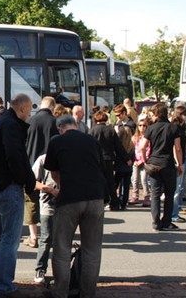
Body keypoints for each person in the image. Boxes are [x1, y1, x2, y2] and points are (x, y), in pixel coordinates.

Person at [44, 115, 107, 298]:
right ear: (76, 125)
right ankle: (87, 292)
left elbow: (54, 171)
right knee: (92, 249)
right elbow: (101, 167)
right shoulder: (91, 140)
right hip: (95, 197)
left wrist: (62, 185)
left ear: (60, 127)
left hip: (70, 198)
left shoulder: (57, 141)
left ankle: (61, 291)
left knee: (62, 247)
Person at [0, 94, 36, 297]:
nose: (30, 113)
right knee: (9, 237)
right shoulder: (11, 126)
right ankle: (3, 284)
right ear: (22, 108)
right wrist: (25, 180)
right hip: (8, 185)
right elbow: (15, 156)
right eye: (29, 109)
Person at [23, 96, 59, 248]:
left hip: (31, 164)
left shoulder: (30, 121)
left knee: (31, 201)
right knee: (50, 202)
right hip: (50, 166)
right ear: (53, 107)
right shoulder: (55, 122)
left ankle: (33, 236)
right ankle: (49, 233)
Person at [143, 102, 183, 231]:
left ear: (157, 114)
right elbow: (177, 148)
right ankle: (166, 221)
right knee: (169, 194)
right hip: (167, 164)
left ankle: (155, 222)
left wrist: (145, 161)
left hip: (153, 163)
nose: (152, 117)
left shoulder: (150, 128)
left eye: (153, 114)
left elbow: (143, 146)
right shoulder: (173, 128)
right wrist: (180, 164)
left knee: (155, 194)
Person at [89, 110, 128, 211]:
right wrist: (126, 158)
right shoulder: (110, 130)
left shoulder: (92, 130)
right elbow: (118, 146)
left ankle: (98, 200)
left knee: (96, 180)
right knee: (110, 181)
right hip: (108, 159)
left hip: (96, 159)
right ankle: (114, 202)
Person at [32, 154, 60, 285]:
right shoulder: (43, 159)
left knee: (62, 241)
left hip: (66, 205)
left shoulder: (70, 156)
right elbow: (33, 180)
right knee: (46, 238)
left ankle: (60, 273)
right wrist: (48, 189)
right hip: (48, 204)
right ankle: (40, 269)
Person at [170, 106, 186, 223]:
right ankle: (173, 214)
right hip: (179, 159)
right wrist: (179, 163)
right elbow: (176, 147)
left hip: (183, 156)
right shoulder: (176, 128)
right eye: (185, 114)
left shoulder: (181, 127)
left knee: (178, 187)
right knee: (176, 188)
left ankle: (175, 211)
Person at [130, 114, 152, 207]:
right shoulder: (135, 137)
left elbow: (148, 150)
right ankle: (135, 195)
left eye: (144, 125)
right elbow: (132, 150)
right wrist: (134, 160)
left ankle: (146, 197)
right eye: (140, 125)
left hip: (145, 160)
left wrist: (142, 160)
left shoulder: (148, 138)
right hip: (136, 160)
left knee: (144, 179)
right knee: (135, 179)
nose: (142, 127)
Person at [115, 126, 135, 210]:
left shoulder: (119, 144)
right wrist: (130, 161)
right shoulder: (131, 145)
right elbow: (133, 157)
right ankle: (124, 203)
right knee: (126, 186)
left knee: (115, 184)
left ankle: (114, 200)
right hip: (128, 168)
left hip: (119, 167)